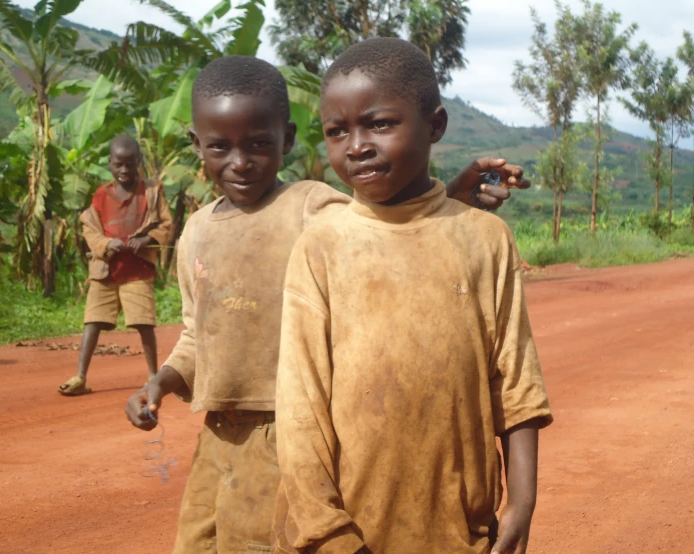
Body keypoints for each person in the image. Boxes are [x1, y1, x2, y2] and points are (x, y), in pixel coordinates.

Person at [123, 56, 533, 553]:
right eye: (219, 147)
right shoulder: (196, 232)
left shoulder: (312, 207)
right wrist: (162, 380)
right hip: (221, 431)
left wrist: (453, 204)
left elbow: (391, 230)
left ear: (287, 141)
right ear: (198, 146)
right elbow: (197, 332)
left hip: (292, 430)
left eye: (257, 144)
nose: (240, 162)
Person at [273, 38, 553, 554]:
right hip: (350, 533)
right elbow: (299, 408)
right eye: (337, 131)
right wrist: (326, 530)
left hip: (462, 532)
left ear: (436, 125)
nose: (356, 145)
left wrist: (523, 501)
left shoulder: (484, 238)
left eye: (379, 124)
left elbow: (515, 382)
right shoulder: (322, 247)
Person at [58, 135, 172, 396]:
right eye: (118, 164)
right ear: (109, 163)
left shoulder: (151, 192)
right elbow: (89, 229)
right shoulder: (101, 195)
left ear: (139, 162)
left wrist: (146, 240)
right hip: (105, 271)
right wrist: (107, 244)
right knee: (92, 322)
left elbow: (166, 225)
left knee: (144, 324)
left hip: (138, 272)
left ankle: (153, 375)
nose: (124, 170)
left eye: (130, 164)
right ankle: (80, 377)